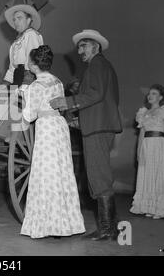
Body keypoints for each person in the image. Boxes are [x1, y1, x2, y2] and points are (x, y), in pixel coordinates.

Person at [50, 29, 122, 241]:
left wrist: (68, 102)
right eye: (79, 46)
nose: (80, 50)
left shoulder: (97, 64)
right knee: (99, 175)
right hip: (98, 126)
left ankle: (107, 229)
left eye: (84, 46)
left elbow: (95, 94)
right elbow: (100, 100)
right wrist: (79, 121)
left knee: (99, 176)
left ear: (96, 47)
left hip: (98, 129)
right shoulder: (101, 66)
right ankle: (111, 227)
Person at [20, 45, 85, 238]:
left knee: (46, 173)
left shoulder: (35, 86)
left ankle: (48, 224)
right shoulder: (57, 81)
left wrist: (23, 96)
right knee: (62, 171)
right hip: (59, 125)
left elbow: (30, 115)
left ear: (33, 64)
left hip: (47, 128)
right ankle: (67, 223)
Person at [130, 84, 164, 219]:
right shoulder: (144, 113)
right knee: (147, 173)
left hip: (159, 145)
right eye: (149, 93)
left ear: (161, 97)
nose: (150, 96)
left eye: (154, 93)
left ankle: (160, 209)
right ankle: (149, 207)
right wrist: (139, 151)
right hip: (146, 146)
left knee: (158, 173)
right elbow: (141, 134)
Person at [2, 4, 43, 88]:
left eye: (19, 18)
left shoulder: (31, 35)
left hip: (28, 78)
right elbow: (12, 68)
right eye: (14, 19)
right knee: (0, 98)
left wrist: (26, 85)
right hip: (17, 77)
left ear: (28, 20)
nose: (16, 22)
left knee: (18, 100)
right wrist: (4, 85)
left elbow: (33, 61)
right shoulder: (15, 43)